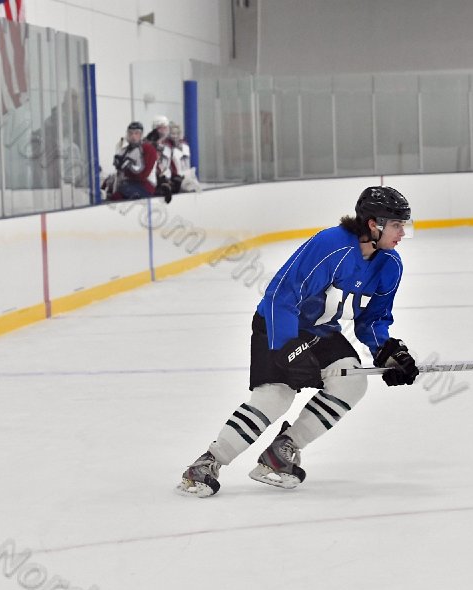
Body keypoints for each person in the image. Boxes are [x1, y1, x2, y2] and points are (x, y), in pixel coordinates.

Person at [177, 186, 422, 498]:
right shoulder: (332, 245)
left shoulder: (390, 265)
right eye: (398, 225)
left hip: (321, 332)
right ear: (374, 224)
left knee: (352, 383)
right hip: (278, 324)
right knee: (276, 396)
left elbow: (372, 319)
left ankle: (281, 452)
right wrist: (286, 345)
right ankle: (206, 464)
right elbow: (282, 293)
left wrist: (387, 352)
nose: (402, 232)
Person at [103, 121, 160, 201]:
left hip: (145, 186)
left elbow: (143, 175)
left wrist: (127, 167)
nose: (133, 136)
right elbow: (119, 172)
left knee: (117, 198)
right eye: (130, 133)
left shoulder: (148, 149)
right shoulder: (125, 150)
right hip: (128, 184)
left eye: (136, 133)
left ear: (141, 135)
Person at [167, 121, 200, 193]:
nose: (175, 136)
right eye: (172, 134)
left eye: (177, 134)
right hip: (178, 178)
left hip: (188, 175)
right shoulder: (169, 149)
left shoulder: (186, 146)